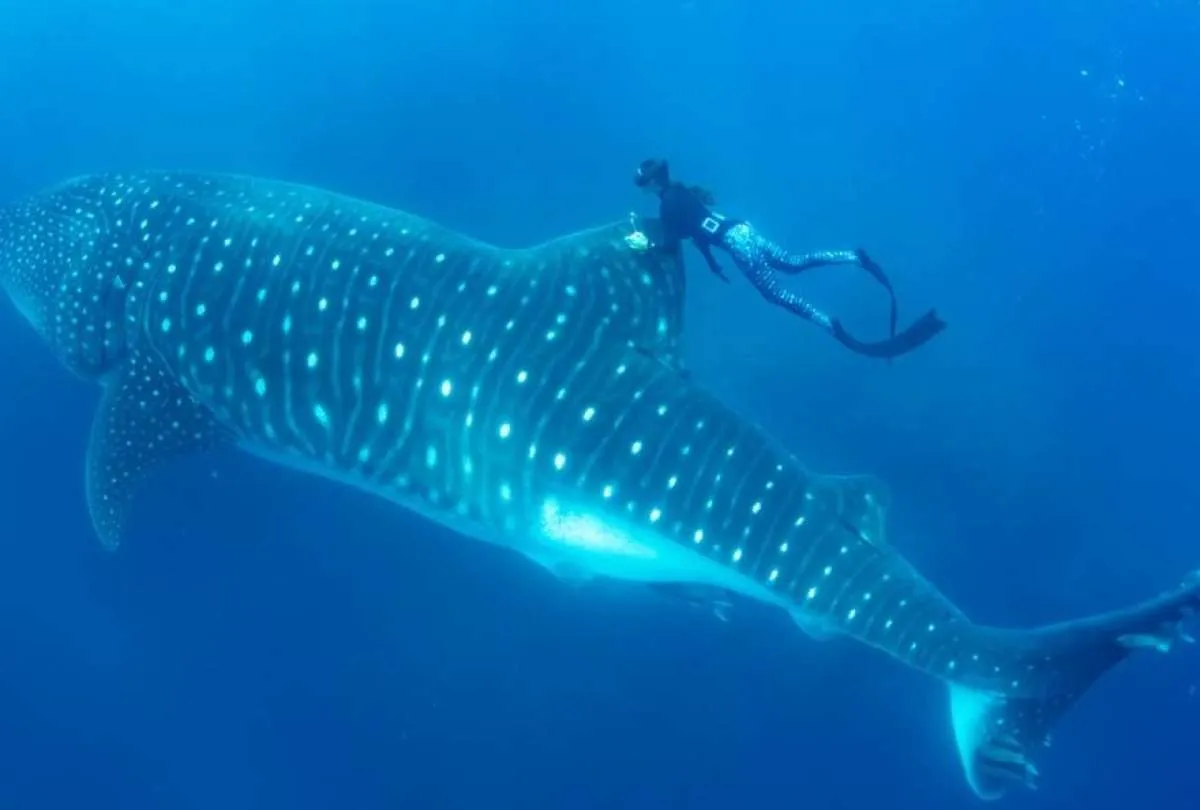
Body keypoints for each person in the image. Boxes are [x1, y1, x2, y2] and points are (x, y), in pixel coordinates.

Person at [628, 158, 946, 360]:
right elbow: (697, 228)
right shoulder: (681, 191)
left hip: (736, 245)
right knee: (791, 263)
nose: (641, 187)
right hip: (741, 229)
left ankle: (828, 324)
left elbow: (671, 242)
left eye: (642, 182)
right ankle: (851, 257)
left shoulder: (667, 206)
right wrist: (711, 263)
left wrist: (645, 246)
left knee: (776, 294)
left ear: (652, 183)